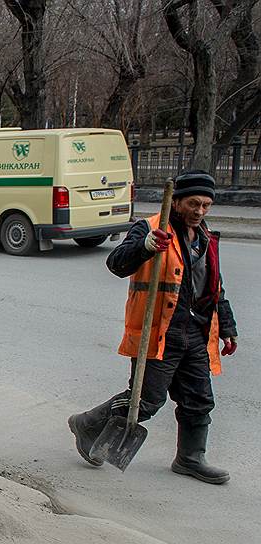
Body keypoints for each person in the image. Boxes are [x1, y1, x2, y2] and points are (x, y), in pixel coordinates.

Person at [68, 170, 238, 484]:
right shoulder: (150, 228)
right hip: (161, 331)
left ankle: (190, 458)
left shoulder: (205, 237)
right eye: (194, 204)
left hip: (197, 332)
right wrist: (146, 246)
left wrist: (227, 326)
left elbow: (214, 286)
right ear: (176, 202)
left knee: (199, 400)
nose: (200, 211)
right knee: (145, 401)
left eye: (206, 205)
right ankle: (88, 424)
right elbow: (117, 263)